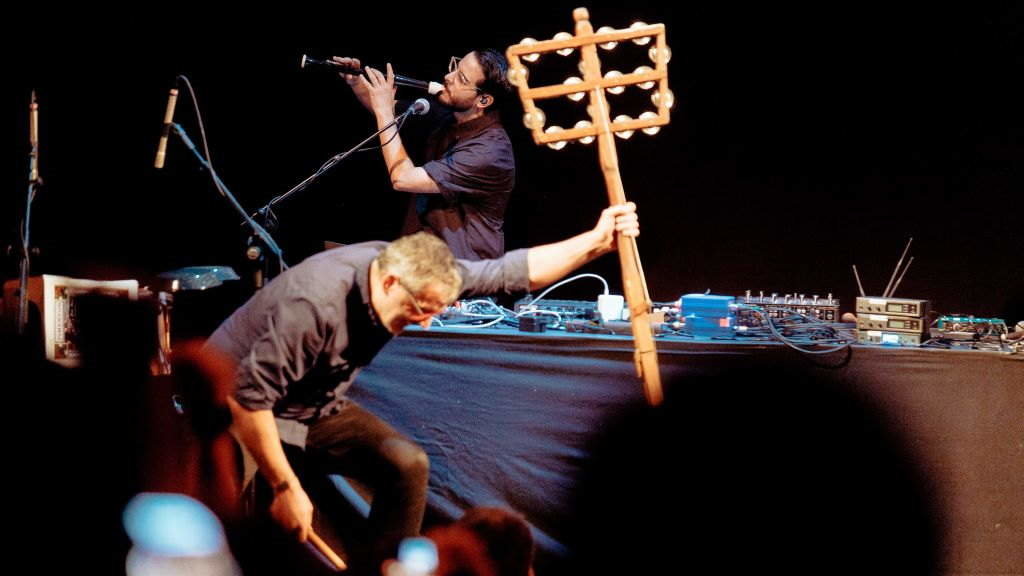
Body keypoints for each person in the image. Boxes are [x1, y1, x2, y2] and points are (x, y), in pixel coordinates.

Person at [203, 203, 639, 571]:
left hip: (308, 404)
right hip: (235, 405)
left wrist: (597, 240)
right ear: (390, 282)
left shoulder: (416, 272)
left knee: (405, 465)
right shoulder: (316, 304)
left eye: (434, 310)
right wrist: (285, 487)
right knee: (229, 514)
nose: (425, 321)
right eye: (418, 309)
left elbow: (513, 271)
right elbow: (249, 399)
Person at [334, 50, 514, 260]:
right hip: (423, 260)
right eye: (455, 66)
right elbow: (387, 110)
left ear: (483, 100)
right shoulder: (449, 116)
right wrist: (355, 80)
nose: (448, 77)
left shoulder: (490, 151)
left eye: (461, 78)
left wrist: (384, 112)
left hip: (464, 272)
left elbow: (403, 179)